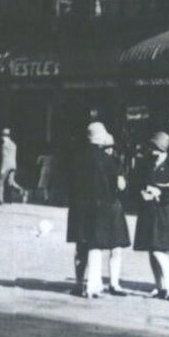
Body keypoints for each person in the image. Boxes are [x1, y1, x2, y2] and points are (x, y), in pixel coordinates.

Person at [66, 121, 131, 297]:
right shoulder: (108, 161)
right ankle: (93, 287)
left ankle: (79, 283)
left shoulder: (77, 158)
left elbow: (70, 184)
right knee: (95, 246)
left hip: (79, 208)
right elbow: (117, 187)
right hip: (102, 208)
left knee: (81, 245)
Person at [129, 129, 169, 299]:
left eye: (154, 149)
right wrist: (142, 192)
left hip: (164, 213)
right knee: (152, 251)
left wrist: (160, 192)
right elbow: (137, 182)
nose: (151, 152)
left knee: (159, 250)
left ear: (163, 150)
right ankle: (160, 287)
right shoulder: (147, 163)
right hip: (148, 212)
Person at [0, 129, 24, 205]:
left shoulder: (4, 145)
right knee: (10, 182)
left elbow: (4, 157)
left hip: (6, 165)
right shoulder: (14, 144)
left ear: (4, 136)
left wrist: (2, 169)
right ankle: (22, 191)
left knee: (0, 181)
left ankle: (0, 199)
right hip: (13, 165)